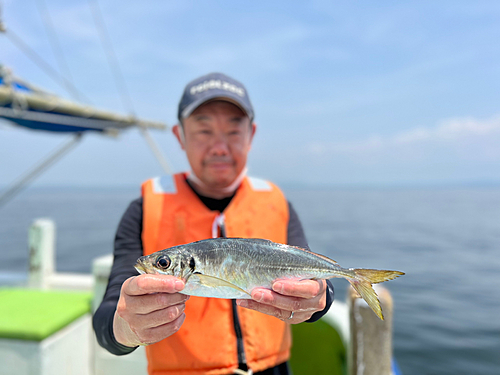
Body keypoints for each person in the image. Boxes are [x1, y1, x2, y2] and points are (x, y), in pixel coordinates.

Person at [93, 72, 335, 375]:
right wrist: (125, 326)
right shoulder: (142, 210)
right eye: (204, 131)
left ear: (251, 135)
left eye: (234, 132)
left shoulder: (278, 203)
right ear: (180, 136)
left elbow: (310, 278)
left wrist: (320, 299)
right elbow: (107, 317)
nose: (219, 147)